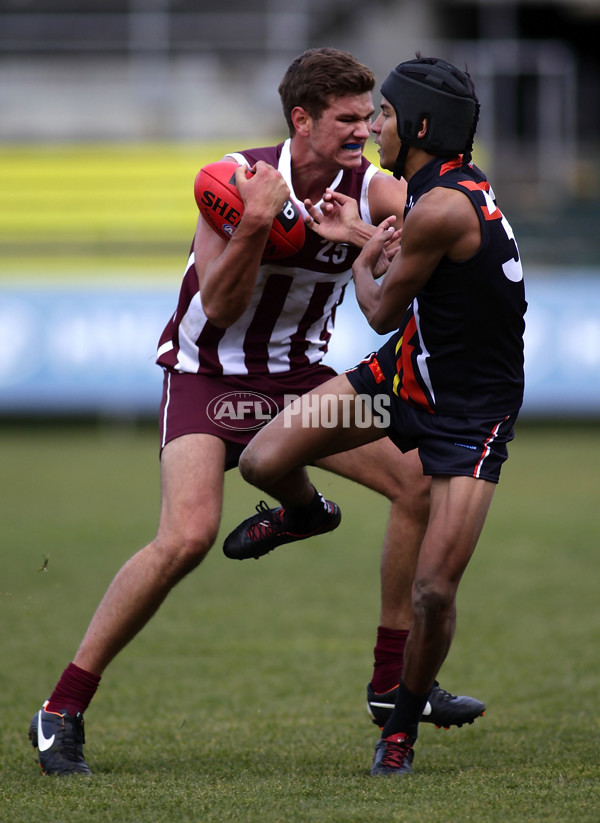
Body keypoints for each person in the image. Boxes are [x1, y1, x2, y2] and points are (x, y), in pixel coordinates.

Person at [28, 49, 482, 777]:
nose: (363, 130)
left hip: (300, 377)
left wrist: (366, 237)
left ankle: (386, 686)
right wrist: (254, 226)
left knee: (416, 485)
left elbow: (452, 246)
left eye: (370, 116)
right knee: (186, 536)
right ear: (300, 120)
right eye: (346, 118)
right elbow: (220, 306)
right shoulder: (234, 180)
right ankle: (61, 708)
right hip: (206, 374)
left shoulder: (376, 191)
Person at [224, 56, 526, 777]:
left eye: (384, 115)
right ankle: (303, 513)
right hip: (404, 379)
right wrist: (363, 232)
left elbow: (380, 304)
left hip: (469, 415)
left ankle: (400, 726)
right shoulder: (447, 192)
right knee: (263, 458)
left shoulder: (440, 207)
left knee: (433, 590)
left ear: (418, 127)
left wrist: (358, 256)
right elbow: (423, 269)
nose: (374, 127)